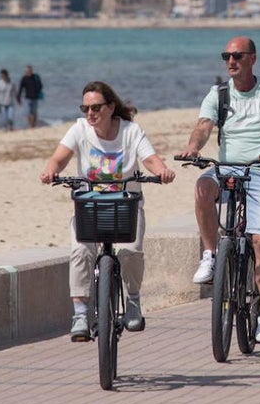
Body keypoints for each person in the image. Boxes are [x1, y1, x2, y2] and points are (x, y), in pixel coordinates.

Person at [181, 35, 260, 345]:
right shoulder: (218, 94)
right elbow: (203, 126)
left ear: (252, 59)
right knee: (202, 187)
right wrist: (194, 148)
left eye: (237, 55)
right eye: (226, 56)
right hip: (228, 168)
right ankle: (210, 253)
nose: (230, 61)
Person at [39, 81, 176, 340]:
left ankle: (133, 300)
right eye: (85, 108)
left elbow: (150, 159)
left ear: (111, 107)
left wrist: (161, 171)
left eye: (96, 107)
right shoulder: (79, 130)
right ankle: (80, 313)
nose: (90, 113)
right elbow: (60, 156)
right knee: (80, 251)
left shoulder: (130, 132)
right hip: (89, 206)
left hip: (126, 206)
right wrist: (51, 170)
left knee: (131, 251)